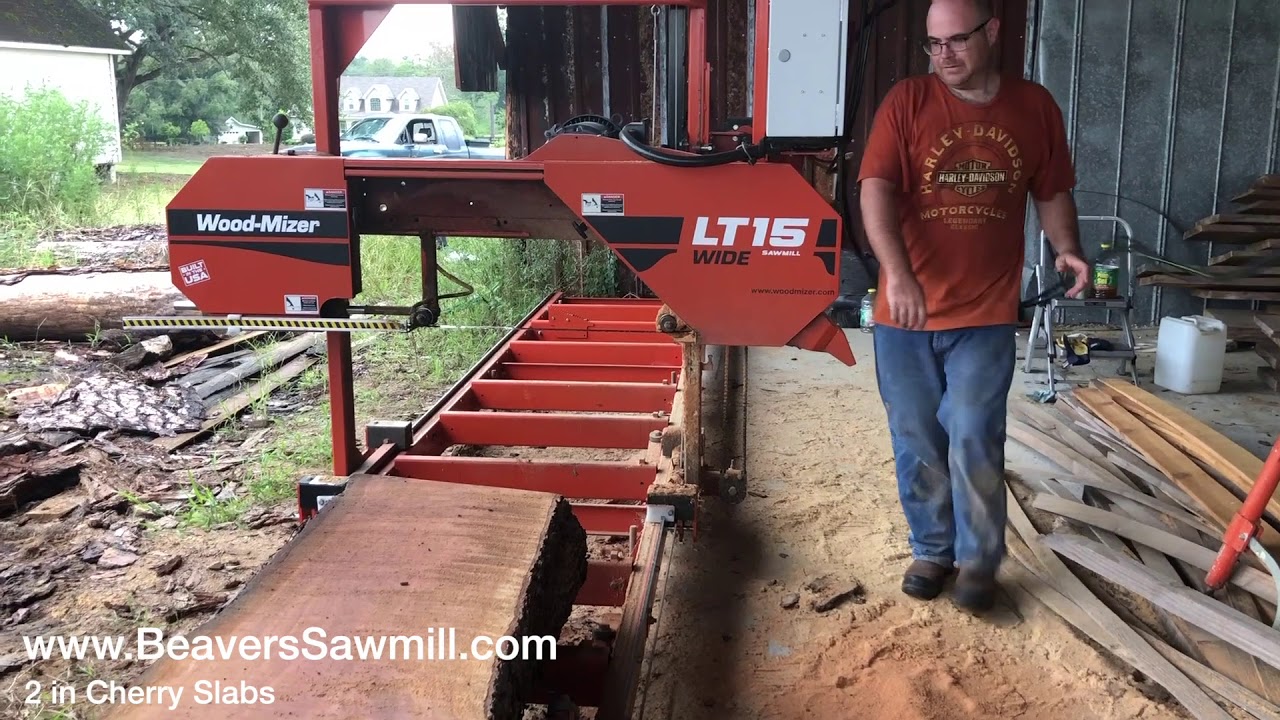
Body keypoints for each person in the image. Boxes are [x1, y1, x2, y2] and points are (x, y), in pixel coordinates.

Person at [857, 0, 1090, 614]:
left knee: (973, 432)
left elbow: (1053, 189)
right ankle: (933, 550)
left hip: (985, 313)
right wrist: (897, 275)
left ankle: (980, 561)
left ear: (992, 32)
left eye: (956, 41)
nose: (944, 57)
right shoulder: (906, 102)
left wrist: (1066, 249)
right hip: (904, 314)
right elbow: (874, 190)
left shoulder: (1034, 107)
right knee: (916, 436)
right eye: (933, 46)